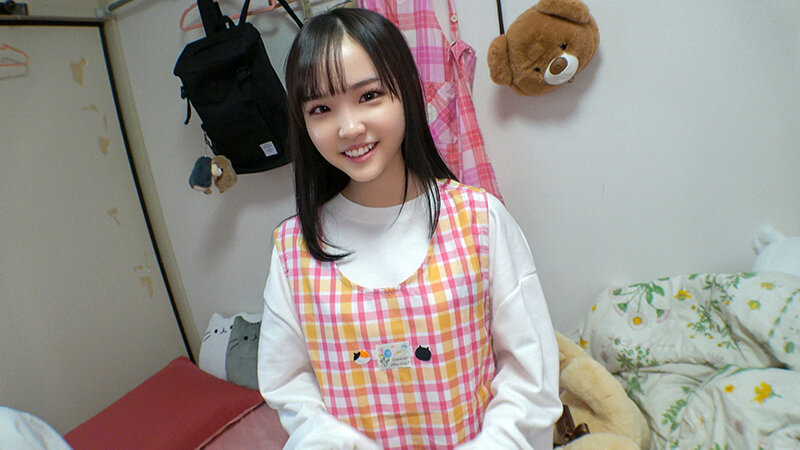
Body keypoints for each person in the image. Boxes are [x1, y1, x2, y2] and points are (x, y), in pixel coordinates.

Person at [257, 8, 561, 449]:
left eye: (369, 95)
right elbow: (289, 384)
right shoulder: (293, 249)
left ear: (407, 92)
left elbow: (529, 373)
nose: (349, 127)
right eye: (321, 108)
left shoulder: (479, 219)